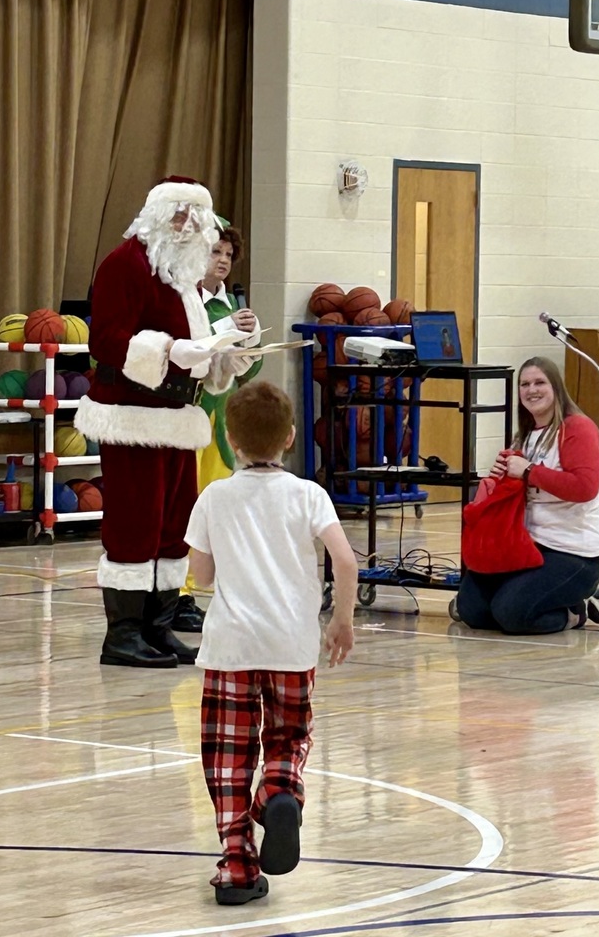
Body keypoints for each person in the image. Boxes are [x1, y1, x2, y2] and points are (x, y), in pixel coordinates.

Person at [185, 380, 357, 905]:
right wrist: (342, 620)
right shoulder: (309, 494)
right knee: (289, 737)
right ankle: (278, 792)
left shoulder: (214, 496)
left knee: (227, 757)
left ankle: (236, 867)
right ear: (289, 438)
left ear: (230, 441)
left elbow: (202, 576)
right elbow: (345, 562)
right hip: (292, 645)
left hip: (231, 646)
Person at [75, 176, 255, 669]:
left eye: (197, 216)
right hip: (133, 416)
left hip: (178, 417)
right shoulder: (124, 264)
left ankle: (158, 626)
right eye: (179, 213)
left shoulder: (187, 276)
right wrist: (170, 350)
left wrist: (228, 355)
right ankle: (123, 635)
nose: (188, 224)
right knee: (135, 522)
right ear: (156, 214)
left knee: (173, 525)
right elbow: (106, 341)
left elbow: (197, 354)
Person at [452, 356, 599, 634]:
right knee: (472, 610)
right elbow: (512, 490)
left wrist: (528, 471)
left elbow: (584, 488)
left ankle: (575, 612)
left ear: (556, 387)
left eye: (539, 382)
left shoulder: (577, 428)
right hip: (525, 545)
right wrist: (497, 477)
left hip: (573, 553)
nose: (531, 390)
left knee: (512, 614)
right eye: (524, 384)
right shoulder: (523, 435)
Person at [197, 220, 263, 487]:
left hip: (224, 414)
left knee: (217, 492)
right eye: (215, 252)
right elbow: (184, 346)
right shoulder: (182, 300)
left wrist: (254, 345)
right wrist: (225, 328)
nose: (223, 260)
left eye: (228, 254)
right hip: (191, 410)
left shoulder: (234, 304)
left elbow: (249, 373)